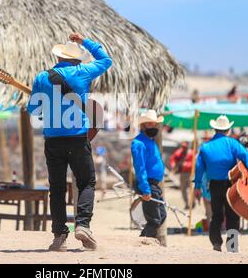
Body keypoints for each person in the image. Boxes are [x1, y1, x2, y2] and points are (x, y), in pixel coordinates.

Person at [27, 32, 112, 252]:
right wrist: (84, 41)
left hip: (53, 140)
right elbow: (106, 60)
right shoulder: (82, 72)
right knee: (86, 182)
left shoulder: (41, 77)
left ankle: (59, 237)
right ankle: (83, 225)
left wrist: (49, 107)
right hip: (77, 138)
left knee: (56, 188)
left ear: (58, 58)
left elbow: (34, 110)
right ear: (76, 60)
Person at [194, 115, 248, 252]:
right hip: (232, 185)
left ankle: (216, 243)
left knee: (216, 215)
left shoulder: (205, 147)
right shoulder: (232, 143)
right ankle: (232, 246)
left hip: (213, 185)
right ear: (228, 129)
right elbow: (245, 156)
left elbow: (199, 168)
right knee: (233, 215)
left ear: (214, 129)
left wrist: (196, 186)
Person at [131, 110, 167, 246]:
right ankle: (144, 242)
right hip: (148, 184)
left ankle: (143, 240)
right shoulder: (139, 143)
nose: (154, 127)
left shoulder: (149, 141)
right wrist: (145, 189)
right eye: (151, 124)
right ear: (144, 125)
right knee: (154, 219)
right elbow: (140, 168)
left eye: (155, 124)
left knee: (161, 215)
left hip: (154, 184)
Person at [169, 142, 194, 209]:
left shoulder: (191, 153)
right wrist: (173, 165)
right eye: (183, 146)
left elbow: (195, 163)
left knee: (191, 188)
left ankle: (192, 202)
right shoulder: (178, 152)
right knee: (183, 189)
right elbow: (172, 159)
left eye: (185, 147)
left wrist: (186, 165)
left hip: (190, 173)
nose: (184, 148)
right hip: (182, 173)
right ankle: (186, 203)